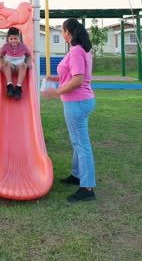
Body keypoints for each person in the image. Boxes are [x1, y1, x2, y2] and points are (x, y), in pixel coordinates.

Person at [48, 18, 96, 203]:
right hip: (81, 100)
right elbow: (72, 76)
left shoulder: (76, 51)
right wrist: (55, 79)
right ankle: (77, 175)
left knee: (81, 144)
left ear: (68, 32)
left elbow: (77, 80)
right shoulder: (81, 50)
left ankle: (87, 187)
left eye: (62, 30)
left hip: (77, 102)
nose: (62, 33)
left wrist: (56, 91)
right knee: (77, 142)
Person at [0, 27, 32, 100]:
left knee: (23, 65)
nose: (13, 41)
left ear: (18, 38)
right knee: (6, 63)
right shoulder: (5, 46)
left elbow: (29, 56)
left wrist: (29, 63)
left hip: (19, 69)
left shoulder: (23, 46)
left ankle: (18, 87)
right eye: (11, 39)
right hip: (10, 69)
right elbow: (0, 57)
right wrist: (1, 64)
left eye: (15, 38)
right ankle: (9, 85)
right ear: (8, 39)